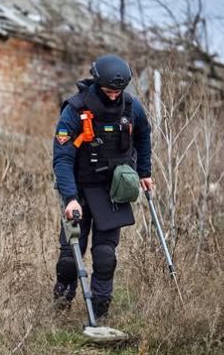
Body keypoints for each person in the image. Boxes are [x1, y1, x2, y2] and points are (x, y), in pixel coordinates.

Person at [52, 54, 153, 319]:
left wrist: (145, 171)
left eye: (117, 92)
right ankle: (61, 305)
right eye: (108, 91)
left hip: (113, 191)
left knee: (105, 255)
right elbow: (62, 158)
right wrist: (70, 197)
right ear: (98, 84)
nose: (112, 96)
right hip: (80, 191)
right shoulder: (74, 110)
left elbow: (143, 136)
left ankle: (99, 309)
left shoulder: (132, 107)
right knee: (69, 258)